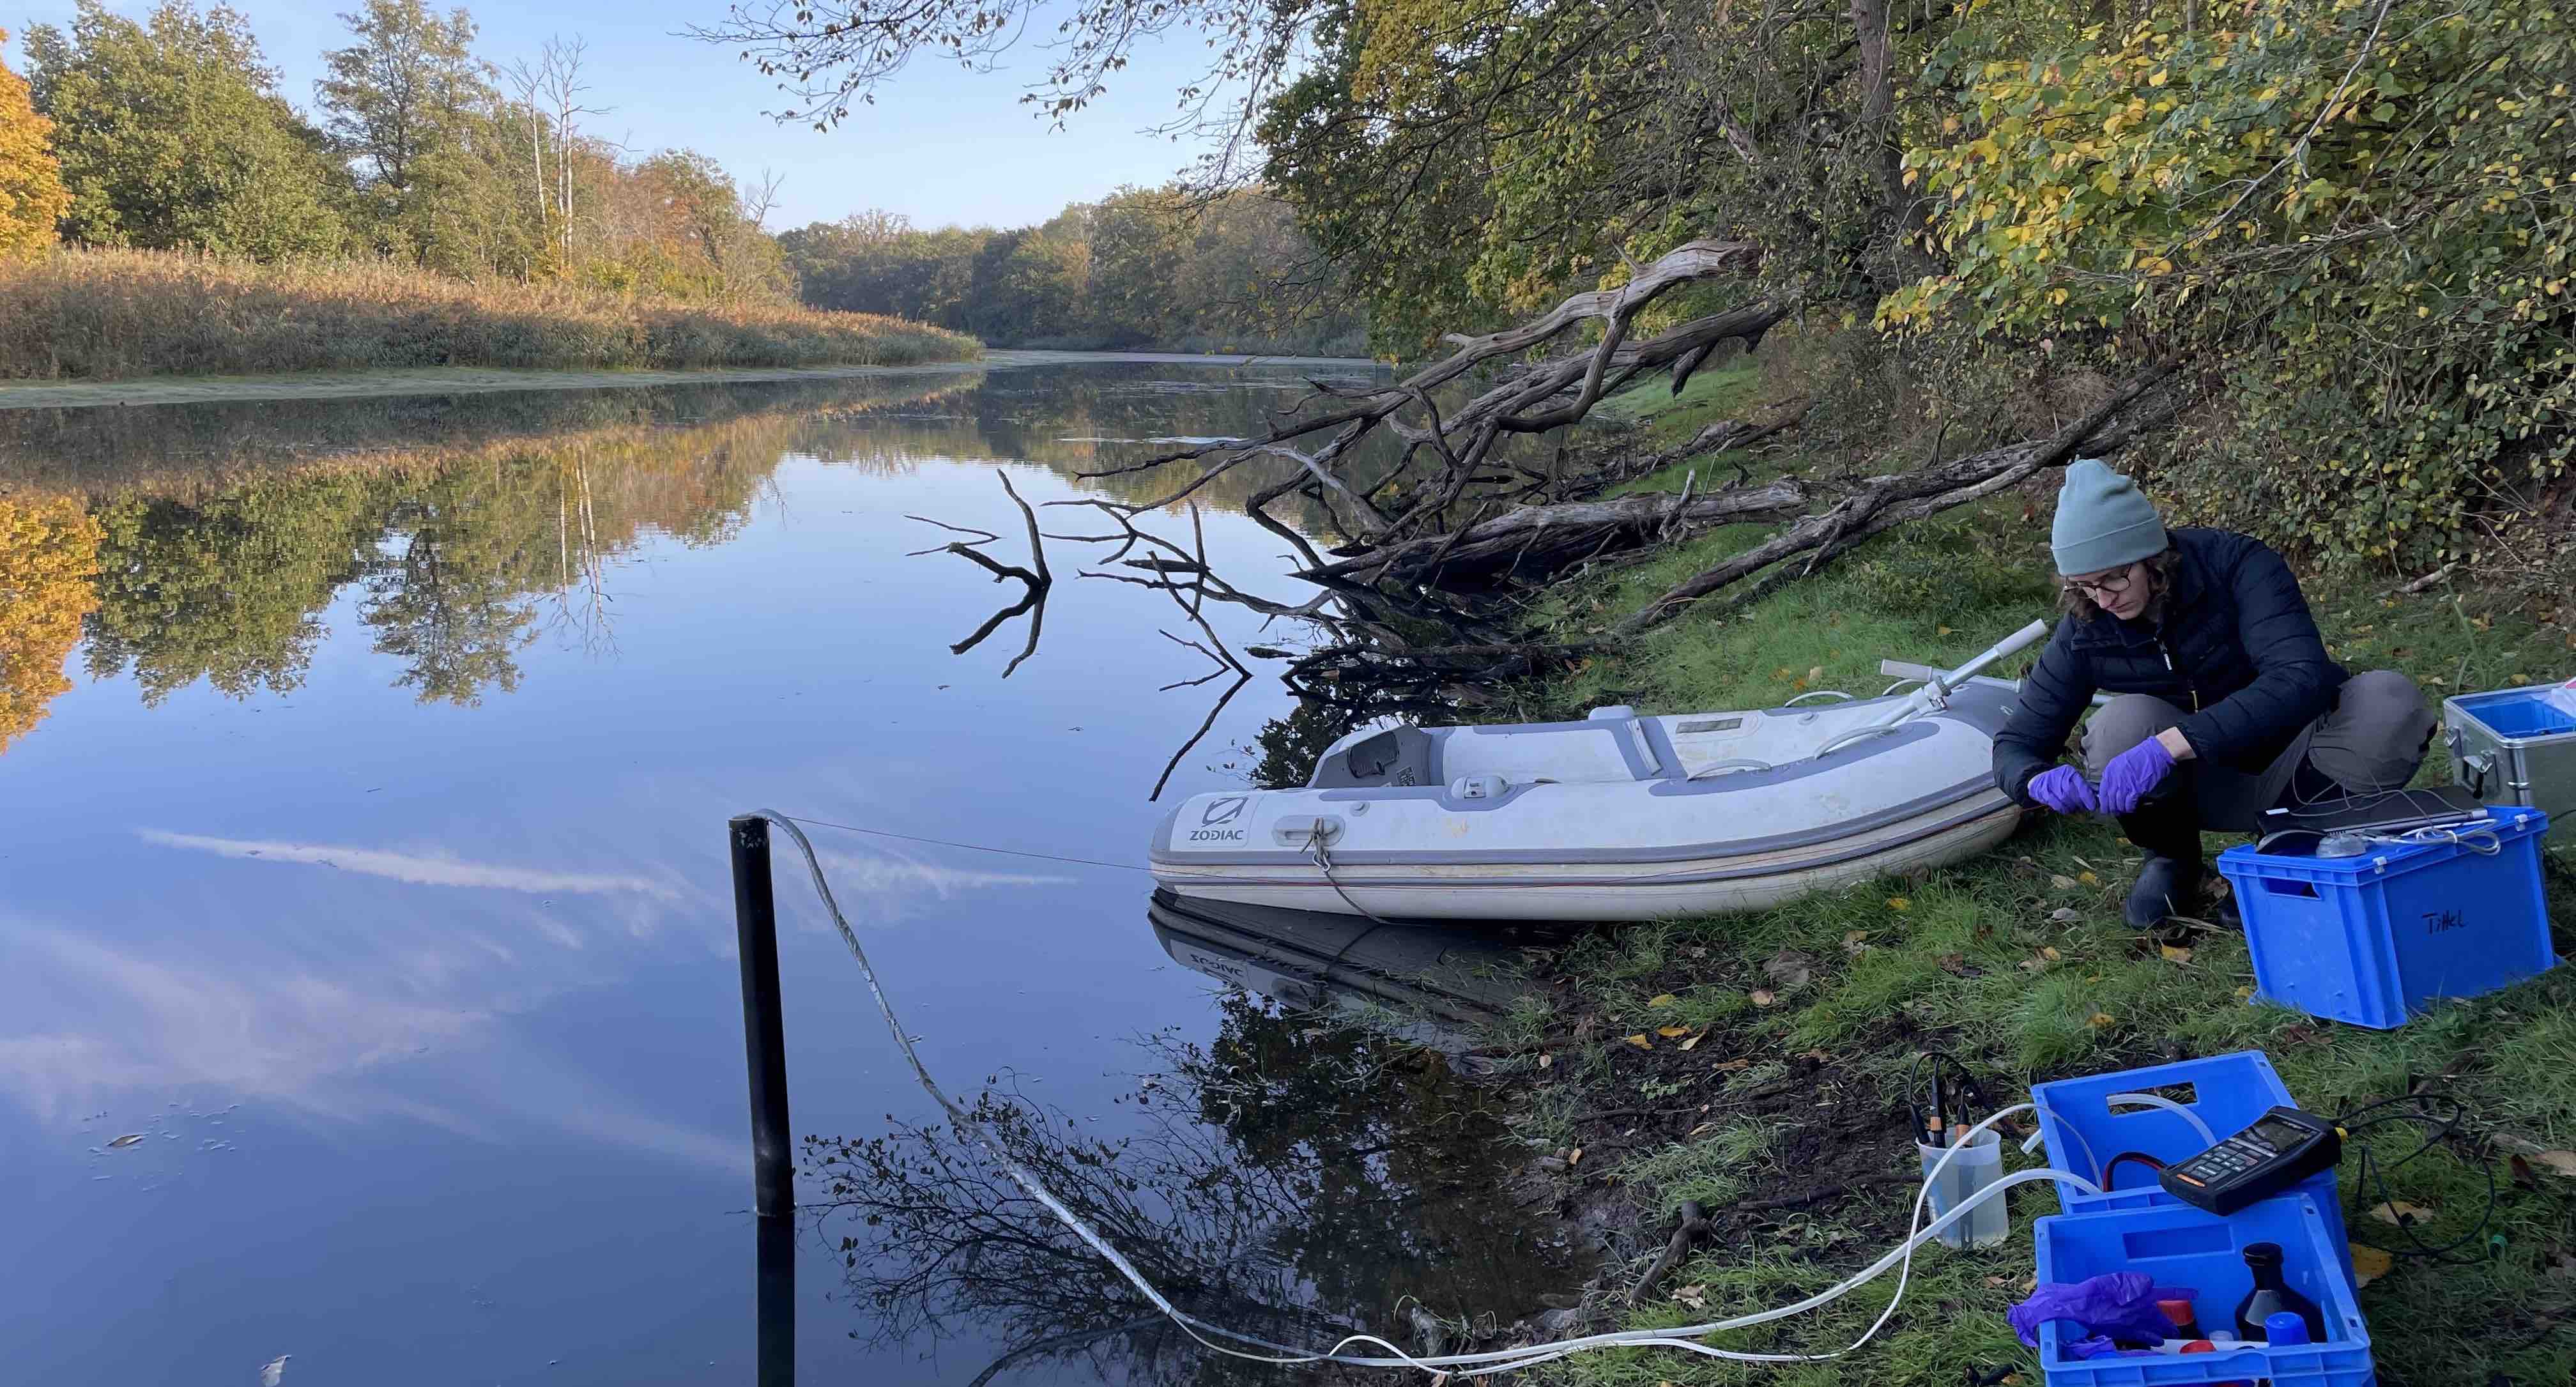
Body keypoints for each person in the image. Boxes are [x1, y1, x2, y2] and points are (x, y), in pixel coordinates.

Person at [1990, 459, 2437, 927]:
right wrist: (2033, 780)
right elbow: (2015, 743)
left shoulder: (2237, 564)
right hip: (2204, 789)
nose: (2103, 599)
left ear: (2152, 556)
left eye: (2115, 578)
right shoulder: (2087, 626)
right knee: (2118, 725)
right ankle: (2173, 858)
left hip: (2302, 765)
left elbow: (2299, 676)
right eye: (2084, 586)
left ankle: (2297, 846)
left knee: (2389, 701)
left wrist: (2169, 745)